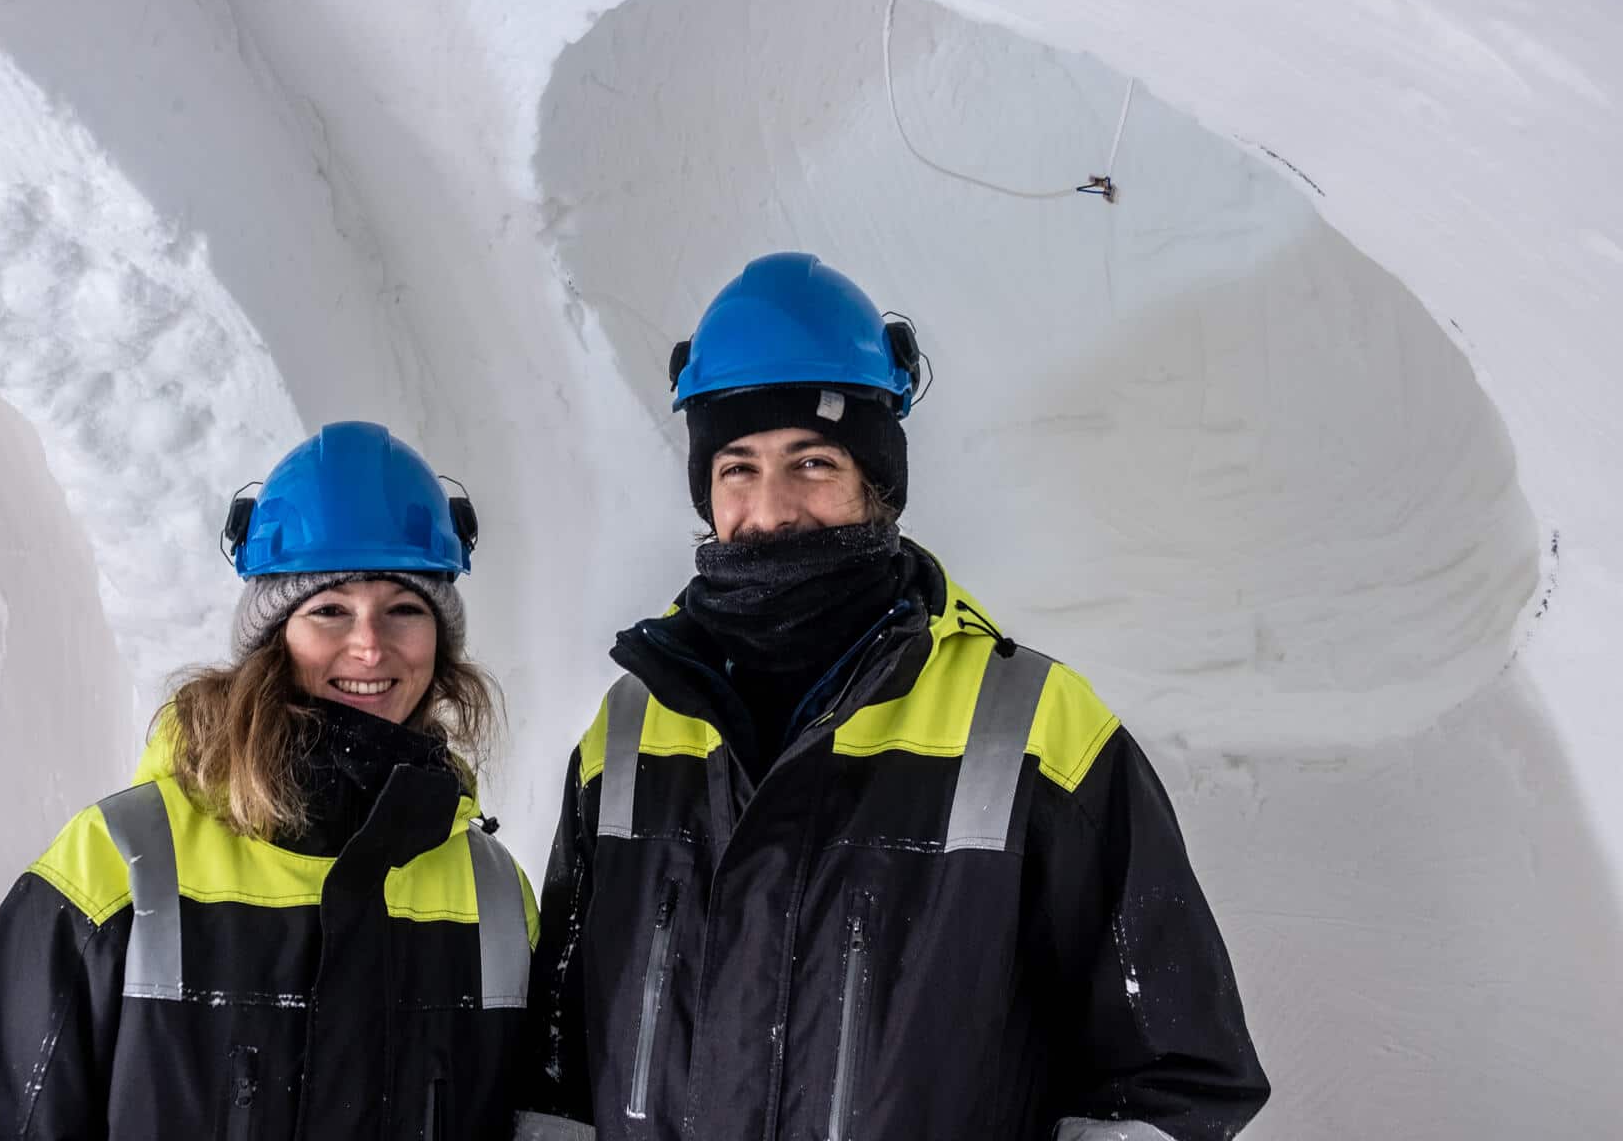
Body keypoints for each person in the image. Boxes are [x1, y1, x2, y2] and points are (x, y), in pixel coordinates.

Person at [515, 254, 1268, 1140]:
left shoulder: (1031, 727)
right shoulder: (631, 729)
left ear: (879, 483)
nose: (773, 510)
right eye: (737, 468)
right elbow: (555, 1067)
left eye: (813, 463)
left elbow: (1169, 1076)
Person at [0, 421, 537, 1140]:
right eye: (329, 610)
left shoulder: (494, 897)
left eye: (404, 609)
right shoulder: (119, 864)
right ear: (272, 639)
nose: (369, 643)